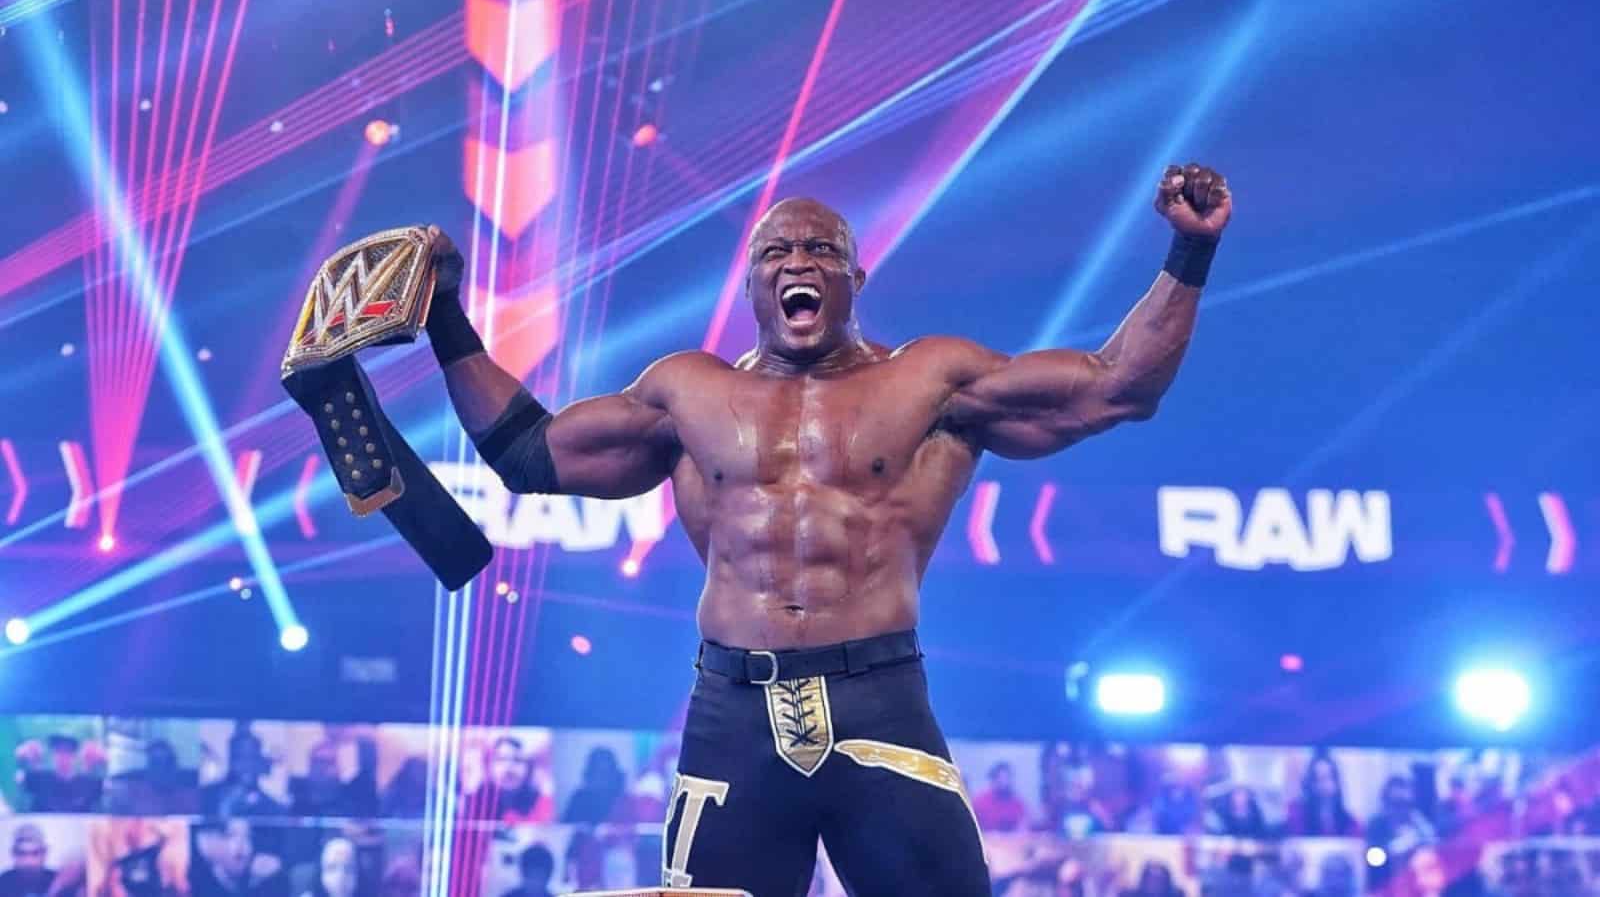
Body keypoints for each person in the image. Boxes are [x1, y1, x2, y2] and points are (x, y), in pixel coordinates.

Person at [421, 162, 1232, 894]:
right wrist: (446, 314)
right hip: (733, 708)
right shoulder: (686, 393)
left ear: (855, 277)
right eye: (775, 252)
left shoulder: (929, 381)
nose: (798, 262)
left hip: (879, 698)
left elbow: (1117, 388)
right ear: (751, 284)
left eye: (821, 249)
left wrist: (1190, 250)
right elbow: (528, 452)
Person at [200, 731, 287, 819]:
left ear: (259, 761)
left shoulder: (275, 810)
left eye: (251, 758)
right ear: (231, 760)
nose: (245, 765)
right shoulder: (204, 796)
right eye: (239, 757)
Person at [14, 736, 103, 813]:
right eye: (58, 751)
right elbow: (19, 778)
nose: (62, 756)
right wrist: (23, 757)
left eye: (67, 751)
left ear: (74, 756)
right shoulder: (39, 779)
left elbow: (106, 790)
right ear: (53, 754)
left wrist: (102, 762)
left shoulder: (88, 782)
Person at [1287, 754, 1358, 837]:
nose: (1323, 785)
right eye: (1318, 779)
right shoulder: (1297, 818)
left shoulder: (1350, 823)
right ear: (1310, 784)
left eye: (1327, 777)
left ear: (1337, 782)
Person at [0, 825, 56, 897]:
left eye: (35, 853)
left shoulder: (58, 882)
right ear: (13, 854)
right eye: (22, 854)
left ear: (44, 853)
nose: (28, 861)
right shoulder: (3, 883)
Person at [973, 762, 1029, 832]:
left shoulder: (1017, 802)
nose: (1004, 783)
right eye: (1000, 778)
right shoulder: (980, 801)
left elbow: (1024, 824)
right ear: (993, 779)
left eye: (1007, 778)